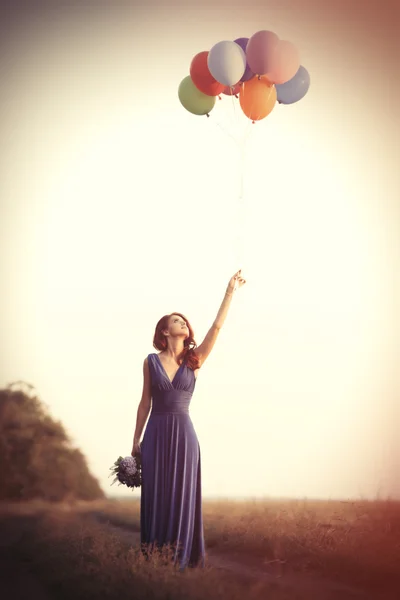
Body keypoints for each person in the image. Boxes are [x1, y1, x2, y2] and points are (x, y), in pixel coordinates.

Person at [131, 269, 246, 571]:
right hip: (155, 432)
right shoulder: (150, 361)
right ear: (165, 331)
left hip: (184, 435)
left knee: (181, 497)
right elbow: (145, 402)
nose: (183, 323)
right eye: (176, 321)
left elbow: (217, 328)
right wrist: (135, 439)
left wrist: (230, 291)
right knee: (158, 495)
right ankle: (154, 560)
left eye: (184, 321)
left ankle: (180, 562)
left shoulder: (195, 360)